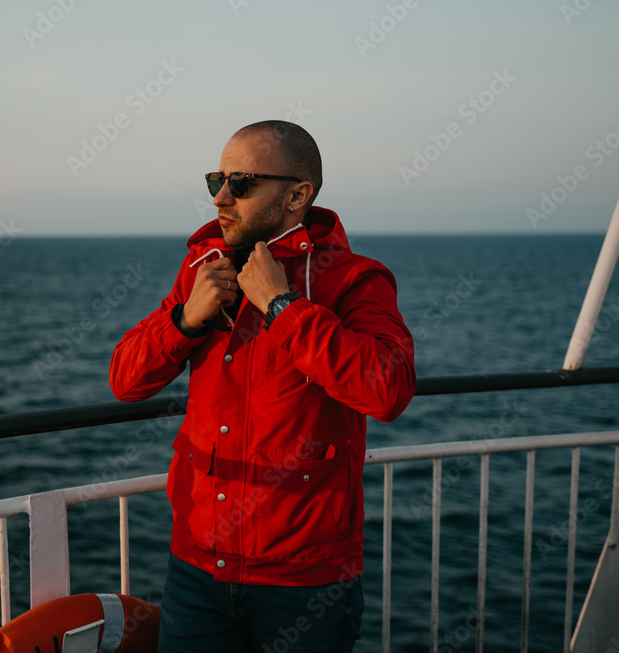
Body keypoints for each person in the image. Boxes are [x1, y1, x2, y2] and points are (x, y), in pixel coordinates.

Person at [108, 120, 416, 652]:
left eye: (242, 182)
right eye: (216, 180)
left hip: (305, 582)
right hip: (197, 570)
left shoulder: (355, 279)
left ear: (297, 195)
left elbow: (387, 389)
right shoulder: (203, 270)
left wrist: (282, 306)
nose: (221, 197)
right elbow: (126, 381)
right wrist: (185, 319)